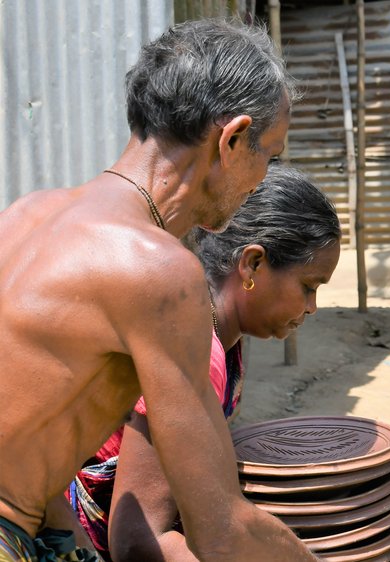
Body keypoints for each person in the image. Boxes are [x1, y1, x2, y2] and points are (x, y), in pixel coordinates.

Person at [0, 18, 321, 562]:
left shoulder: (27, 213)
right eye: (270, 155)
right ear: (233, 138)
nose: (263, 179)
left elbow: (29, 425)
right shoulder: (159, 271)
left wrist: (61, 537)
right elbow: (220, 529)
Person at [64, 165, 342, 561]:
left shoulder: (220, 337)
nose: (312, 307)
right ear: (252, 265)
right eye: (308, 286)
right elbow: (139, 539)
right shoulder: (194, 348)